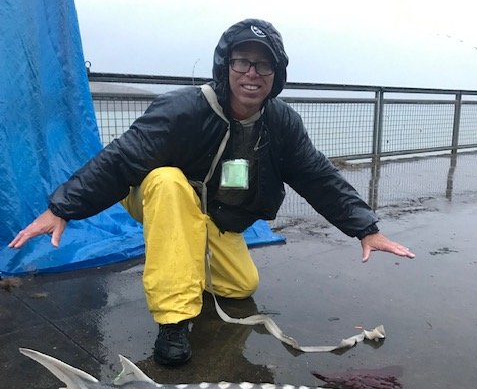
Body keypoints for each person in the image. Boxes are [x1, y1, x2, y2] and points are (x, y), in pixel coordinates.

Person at [9, 18, 415, 366]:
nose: (252, 73)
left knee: (240, 287)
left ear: (277, 74)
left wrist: (365, 228)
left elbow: (318, 176)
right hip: (159, 196)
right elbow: (121, 159)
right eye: (243, 61)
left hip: (214, 213)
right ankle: (173, 323)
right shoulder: (183, 109)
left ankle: (186, 263)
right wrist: (63, 207)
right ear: (226, 64)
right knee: (168, 180)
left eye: (264, 64)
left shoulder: (281, 122)